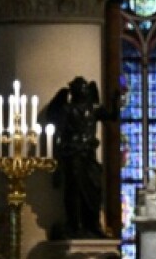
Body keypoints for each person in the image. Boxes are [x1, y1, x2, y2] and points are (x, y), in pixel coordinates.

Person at [46, 77, 120, 238]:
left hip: (88, 154)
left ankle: (93, 224)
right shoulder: (67, 110)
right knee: (75, 190)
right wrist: (57, 161)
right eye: (80, 88)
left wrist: (115, 101)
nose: (84, 91)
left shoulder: (93, 109)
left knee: (95, 188)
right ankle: (76, 225)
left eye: (85, 88)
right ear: (74, 91)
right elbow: (59, 134)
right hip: (73, 154)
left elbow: (112, 116)